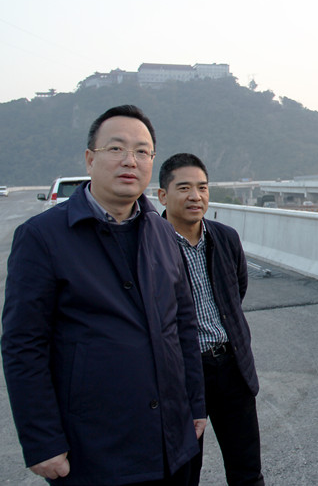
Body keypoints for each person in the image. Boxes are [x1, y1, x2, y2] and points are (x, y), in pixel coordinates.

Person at [2, 105, 205, 485]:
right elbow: (23, 344)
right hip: (95, 449)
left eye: (142, 152)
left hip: (171, 440)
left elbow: (183, 324)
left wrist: (196, 404)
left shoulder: (163, 233)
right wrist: (42, 440)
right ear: (90, 159)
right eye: (116, 149)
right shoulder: (43, 237)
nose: (130, 160)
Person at [158, 153, 264, 486]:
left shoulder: (225, 237)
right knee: (183, 472)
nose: (196, 196)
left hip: (232, 366)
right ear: (162, 195)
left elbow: (236, 291)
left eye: (202, 187)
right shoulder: (150, 245)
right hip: (183, 373)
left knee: (247, 470)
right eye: (184, 188)